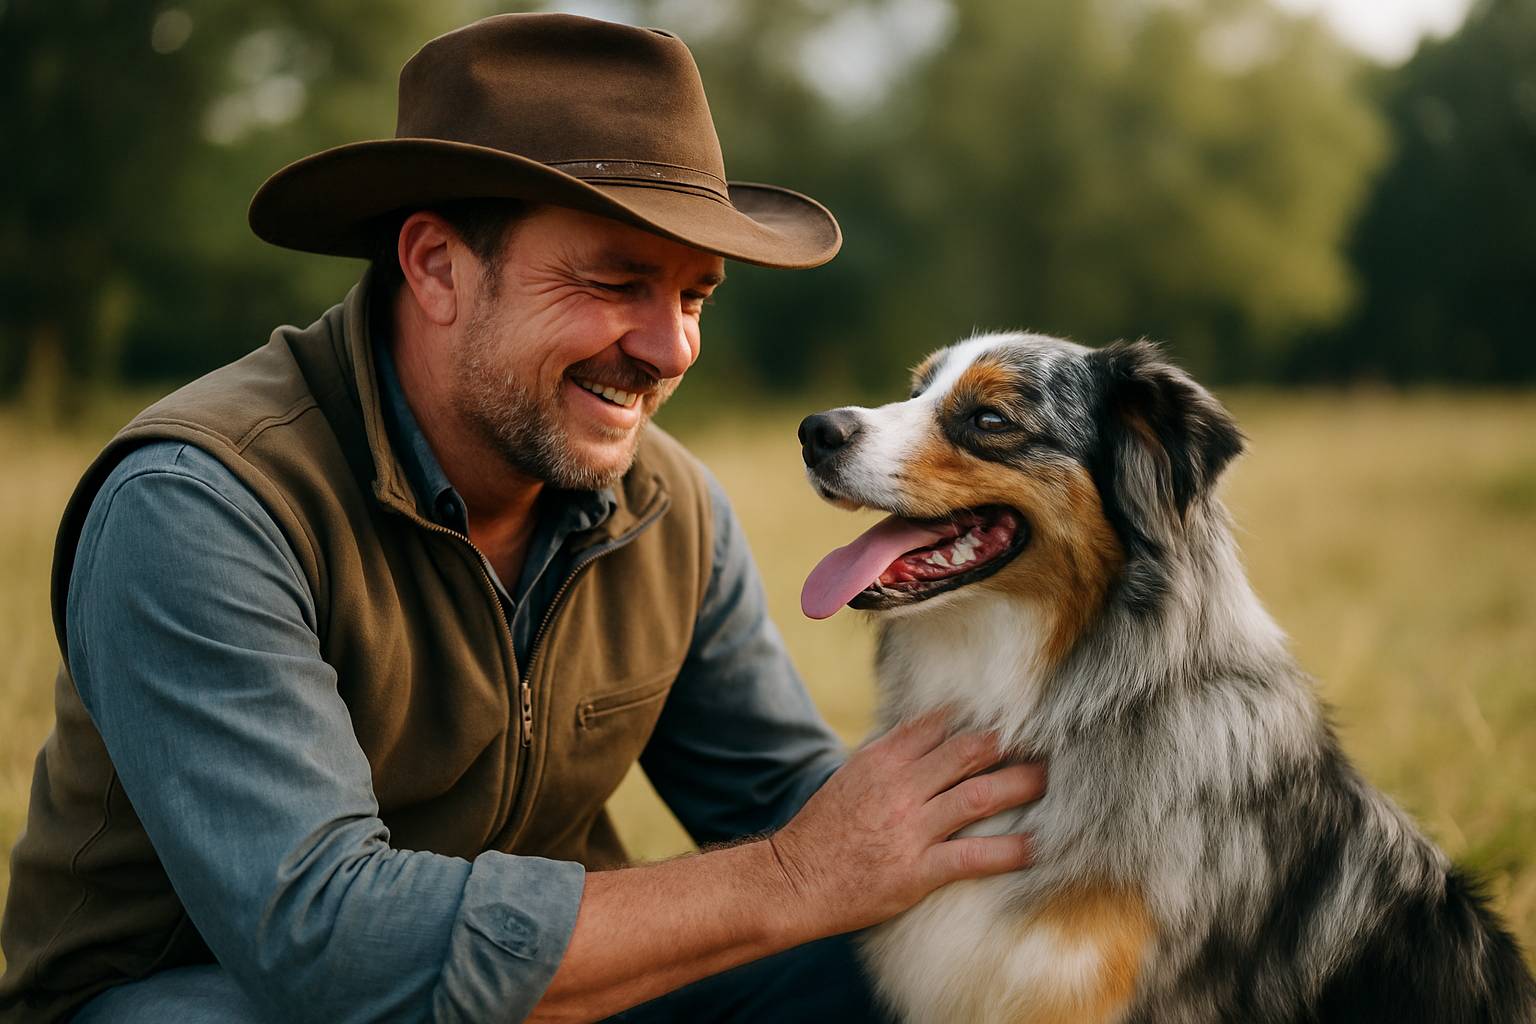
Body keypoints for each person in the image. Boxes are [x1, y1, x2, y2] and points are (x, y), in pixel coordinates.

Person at [0, 13, 1044, 1023]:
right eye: (617, 279)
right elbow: (324, 947)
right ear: (436, 267)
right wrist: (793, 875)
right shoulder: (204, 503)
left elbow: (797, 808)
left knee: (927, 982)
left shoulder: (670, 512)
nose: (673, 346)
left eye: (694, 294)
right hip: (207, 995)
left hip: (545, 997)